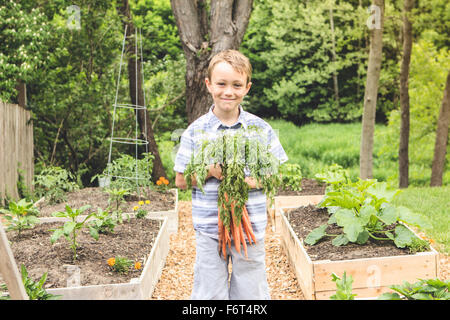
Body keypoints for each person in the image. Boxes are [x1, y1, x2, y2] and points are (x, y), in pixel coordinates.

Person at [174, 49, 288, 300]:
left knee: (251, 291)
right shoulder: (196, 131)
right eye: (222, 84)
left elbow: (276, 177)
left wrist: (248, 182)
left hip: (251, 229)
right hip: (210, 229)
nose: (228, 91)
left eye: (237, 85)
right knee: (209, 292)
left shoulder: (261, 129)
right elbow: (181, 180)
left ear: (247, 87)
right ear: (208, 85)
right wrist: (210, 171)